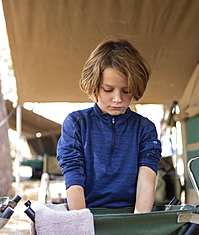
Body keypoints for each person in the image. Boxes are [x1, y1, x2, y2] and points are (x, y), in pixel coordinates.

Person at [57, 38, 162, 214]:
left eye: (126, 91)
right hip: (84, 214)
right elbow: (74, 183)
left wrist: (137, 226)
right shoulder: (76, 124)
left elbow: (146, 184)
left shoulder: (145, 128)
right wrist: (82, 227)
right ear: (94, 85)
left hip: (130, 217)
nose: (117, 99)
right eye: (108, 89)